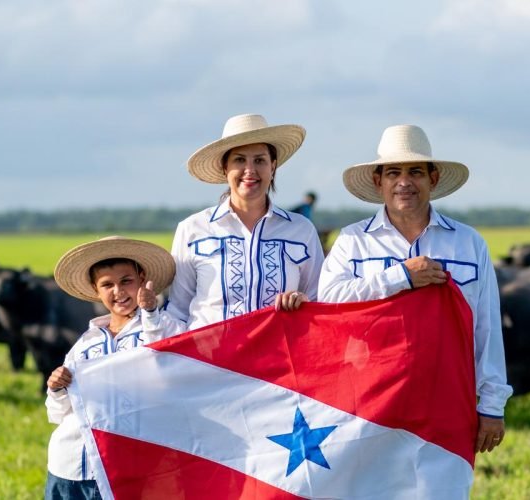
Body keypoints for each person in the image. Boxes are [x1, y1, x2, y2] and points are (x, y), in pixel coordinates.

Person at [318, 125, 513, 460]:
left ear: (433, 179)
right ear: (379, 182)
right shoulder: (352, 242)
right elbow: (329, 303)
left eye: (415, 172)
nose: (404, 182)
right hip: (367, 399)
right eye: (393, 172)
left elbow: (486, 329)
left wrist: (492, 406)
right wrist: (399, 277)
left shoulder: (468, 243)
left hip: (446, 399)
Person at [143, 113, 324, 336]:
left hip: (279, 364)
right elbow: (178, 311)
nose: (250, 170)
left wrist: (303, 301)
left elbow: (320, 303)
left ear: (273, 166)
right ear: (224, 167)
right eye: (239, 160)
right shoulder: (192, 229)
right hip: (208, 364)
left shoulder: (301, 230)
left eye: (260, 160)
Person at [43, 236, 175, 500]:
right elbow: (57, 414)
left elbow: (166, 365)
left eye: (126, 281)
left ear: (142, 279)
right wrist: (56, 388)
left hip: (129, 467)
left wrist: (150, 314)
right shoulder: (85, 343)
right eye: (107, 284)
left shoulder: (165, 326)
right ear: (96, 290)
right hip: (69, 465)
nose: (118, 291)